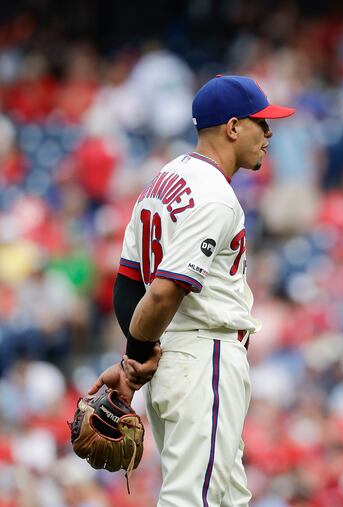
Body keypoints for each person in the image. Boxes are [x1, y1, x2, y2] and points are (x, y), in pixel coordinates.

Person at [88, 75, 295, 506]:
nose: (270, 133)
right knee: (194, 498)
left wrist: (136, 359)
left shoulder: (165, 178)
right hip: (204, 356)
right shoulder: (214, 195)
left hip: (171, 357)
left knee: (226, 497)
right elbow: (163, 293)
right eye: (262, 122)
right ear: (233, 127)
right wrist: (135, 361)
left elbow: (128, 282)